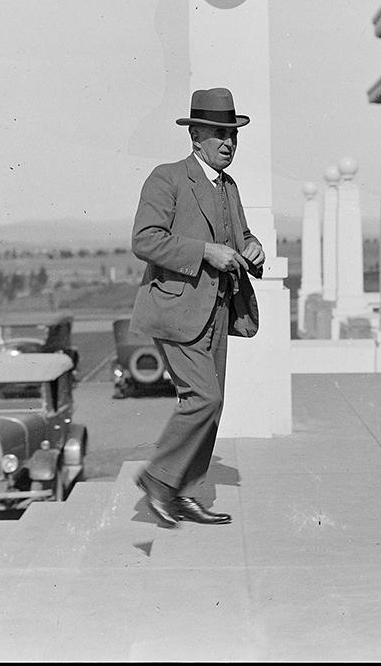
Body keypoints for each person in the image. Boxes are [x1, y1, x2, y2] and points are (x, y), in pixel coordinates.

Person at [130, 87, 265, 527]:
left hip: (219, 310)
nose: (228, 143)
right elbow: (145, 240)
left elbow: (238, 237)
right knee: (203, 398)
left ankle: (183, 493)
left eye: (233, 135)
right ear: (195, 138)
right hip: (175, 308)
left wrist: (253, 246)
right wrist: (205, 252)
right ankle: (158, 479)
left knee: (212, 402)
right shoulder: (167, 178)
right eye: (219, 134)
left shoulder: (229, 186)